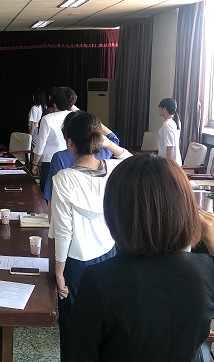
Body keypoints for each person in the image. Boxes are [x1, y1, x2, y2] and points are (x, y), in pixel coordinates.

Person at [69, 154, 214, 362]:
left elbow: (81, 353)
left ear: (115, 211)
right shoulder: (206, 269)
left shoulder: (99, 279)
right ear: (185, 209)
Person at [49, 112, 131, 362]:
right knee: (105, 320)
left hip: (76, 264)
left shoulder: (64, 178)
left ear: (69, 143)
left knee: (75, 325)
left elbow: (63, 231)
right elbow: (129, 157)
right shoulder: (114, 169)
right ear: (97, 139)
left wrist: (59, 273)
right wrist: (107, 143)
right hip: (109, 256)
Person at [44, 111, 125, 202]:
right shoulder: (107, 157)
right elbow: (114, 140)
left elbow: (52, 196)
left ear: (68, 141)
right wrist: (93, 123)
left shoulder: (60, 158)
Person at [32, 86, 78, 192]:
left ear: (54, 102)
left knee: (48, 192)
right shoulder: (76, 117)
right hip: (72, 159)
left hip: (50, 161)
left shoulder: (47, 119)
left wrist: (35, 164)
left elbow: (40, 144)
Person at [157, 97, 182, 165]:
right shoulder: (173, 123)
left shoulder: (167, 125)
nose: (158, 110)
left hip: (169, 163)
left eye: (159, 108)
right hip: (172, 162)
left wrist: (167, 165)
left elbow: (170, 147)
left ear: (164, 109)